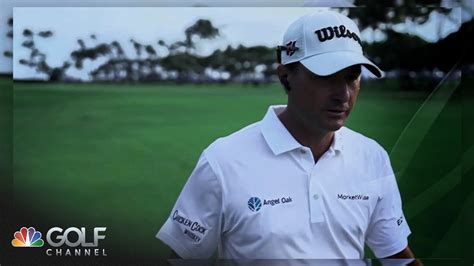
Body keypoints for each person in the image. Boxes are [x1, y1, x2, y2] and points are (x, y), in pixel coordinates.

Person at [156, 10, 419, 263]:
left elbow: (397, 257)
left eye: (352, 78)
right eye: (327, 77)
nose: (344, 95)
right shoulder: (222, 161)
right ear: (286, 76)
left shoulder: (372, 157)